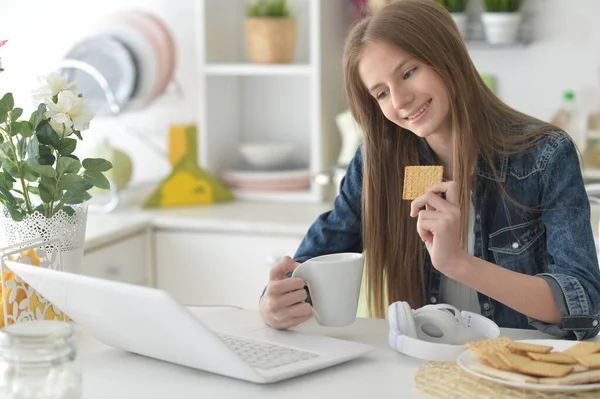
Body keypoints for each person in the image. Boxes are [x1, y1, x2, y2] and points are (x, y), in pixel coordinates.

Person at [259, 0, 600, 340]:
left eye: (408, 73)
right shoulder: (379, 164)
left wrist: (458, 263)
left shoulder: (543, 155)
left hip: (516, 372)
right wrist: (273, 302)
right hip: (423, 371)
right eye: (381, 93)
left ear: (447, 55)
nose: (400, 101)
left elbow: (583, 305)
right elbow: (307, 270)